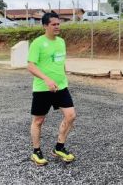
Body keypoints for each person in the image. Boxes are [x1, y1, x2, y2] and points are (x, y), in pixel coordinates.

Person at [28, 12, 76, 166]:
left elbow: (60, 62)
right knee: (38, 120)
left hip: (61, 86)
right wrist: (47, 79)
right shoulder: (38, 43)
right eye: (53, 24)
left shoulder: (61, 41)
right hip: (43, 88)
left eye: (58, 24)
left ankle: (59, 147)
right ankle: (36, 152)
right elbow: (30, 65)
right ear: (45, 26)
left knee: (71, 116)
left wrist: (63, 74)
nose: (57, 27)